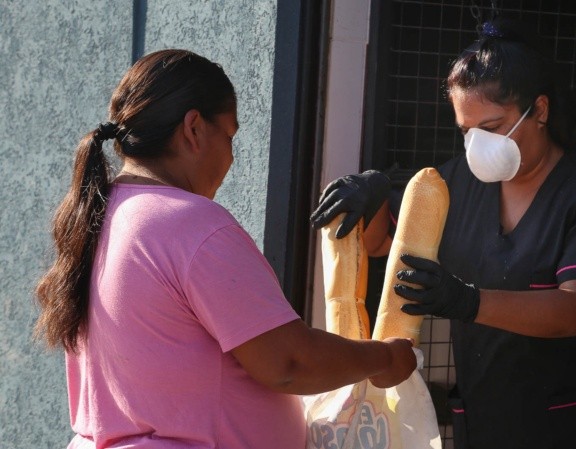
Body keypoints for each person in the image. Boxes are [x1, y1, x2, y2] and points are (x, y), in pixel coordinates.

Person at [34, 49, 416, 449]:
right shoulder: (190, 223)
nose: (231, 157)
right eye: (229, 136)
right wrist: (384, 359)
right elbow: (287, 363)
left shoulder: (97, 217)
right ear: (194, 128)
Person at [310, 18, 576, 449]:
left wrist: (467, 300)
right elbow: (384, 245)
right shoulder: (458, 182)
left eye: (493, 128)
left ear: (539, 110)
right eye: (466, 130)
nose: (477, 144)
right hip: (484, 422)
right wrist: (369, 202)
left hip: (573, 424)